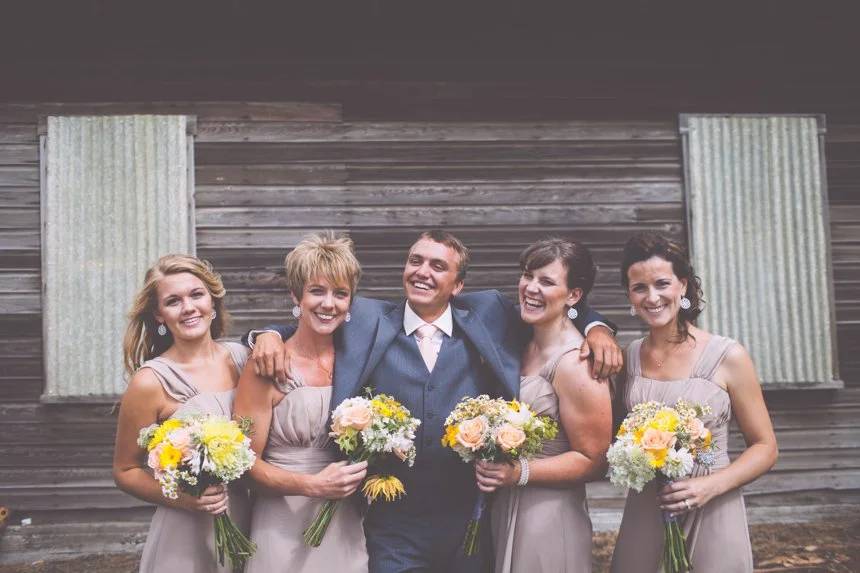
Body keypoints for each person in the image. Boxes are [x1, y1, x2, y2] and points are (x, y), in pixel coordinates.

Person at [249, 230, 622, 573]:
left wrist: (598, 328)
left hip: (473, 523)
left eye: (438, 266)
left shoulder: (489, 314)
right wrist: (267, 334)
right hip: (390, 528)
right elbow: (316, 317)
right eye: (416, 261)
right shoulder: (367, 318)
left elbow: (555, 305)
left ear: (458, 285)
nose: (422, 272)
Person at [610, 232, 778, 573]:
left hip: (712, 501)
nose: (652, 297)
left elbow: (766, 447)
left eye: (661, 284)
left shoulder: (728, 356)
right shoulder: (629, 357)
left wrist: (710, 485)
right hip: (648, 502)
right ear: (629, 294)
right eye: (639, 288)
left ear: (683, 285)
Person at [232, 233, 369, 573]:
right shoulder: (266, 365)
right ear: (296, 295)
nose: (329, 304)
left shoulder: (359, 360)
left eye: (340, 293)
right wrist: (312, 485)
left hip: (346, 522)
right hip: (282, 520)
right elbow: (242, 464)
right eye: (317, 291)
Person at [475, 238, 612, 573]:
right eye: (527, 275)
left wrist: (518, 472)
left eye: (547, 281)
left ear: (574, 295)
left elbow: (594, 460)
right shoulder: (522, 341)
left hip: (549, 515)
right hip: (506, 506)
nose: (531, 288)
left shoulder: (578, 364)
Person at [112, 255, 251, 573]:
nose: (188, 307)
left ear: (212, 301)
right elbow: (125, 470)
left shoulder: (246, 359)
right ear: (159, 315)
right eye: (173, 301)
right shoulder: (149, 382)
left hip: (252, 516)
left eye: (196, 295)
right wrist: (186, 500)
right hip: (188, 530)